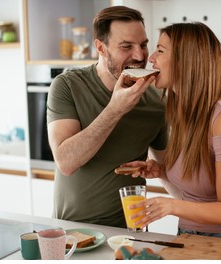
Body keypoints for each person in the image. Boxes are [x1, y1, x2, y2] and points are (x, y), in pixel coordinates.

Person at [120, 22, 221, 241]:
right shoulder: (183, 113)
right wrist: (161, 171)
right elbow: (199, 187)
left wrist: (172, 206)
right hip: (187, 237)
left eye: (160, 50)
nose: (151, 58)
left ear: (186, 60)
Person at [46, 6, 168, 228]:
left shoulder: (157, 101)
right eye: (126, 47)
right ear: (100, 47)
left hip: (132, 230)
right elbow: (65, 161)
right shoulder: (67, 85)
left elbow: (168, 170)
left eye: (143, 45)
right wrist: (115, 109)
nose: (140, 56)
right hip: (75, 231)